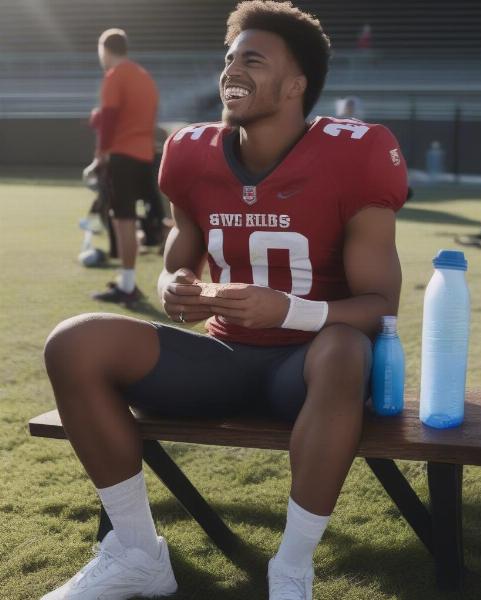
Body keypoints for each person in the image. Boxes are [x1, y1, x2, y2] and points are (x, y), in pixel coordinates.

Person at [42, 2, 408, 599]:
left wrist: (289, 310)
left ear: (296, 86)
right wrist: (171, 286)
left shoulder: (354, 152)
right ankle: (136, 551)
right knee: (74, 342)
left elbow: (380, 306)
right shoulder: (191, 152)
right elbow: (179, 257)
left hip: (310, 368)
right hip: (224, 357)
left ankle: (291, 568)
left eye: (253, 60)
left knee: (344, 347)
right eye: (229, 58)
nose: (232, 70)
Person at [91, 28, 164, 306]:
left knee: (124, 220)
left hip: (122, 155)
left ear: (104, 49)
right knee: (135, 219)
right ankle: (127, 282)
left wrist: (100, 153)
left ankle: (128, 285)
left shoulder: (115, 76)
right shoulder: (144, 77)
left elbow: (109, 119)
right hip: (144, 156)